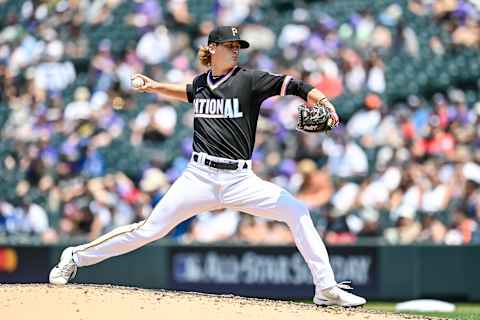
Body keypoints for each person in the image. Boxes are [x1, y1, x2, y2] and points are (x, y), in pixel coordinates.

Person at [49, 26, 366, 307]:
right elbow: (188, 91)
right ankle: (74, 256)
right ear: (213, 48)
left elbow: (295, 85)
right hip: (198, 177)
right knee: (147, 231)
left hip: (241, 180)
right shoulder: (202, 83)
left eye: (238, 46)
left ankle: (325, 288)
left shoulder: (250, 80)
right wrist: (155, 86)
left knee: (297, 211)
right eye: (230, 45)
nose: (235, 50)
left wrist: (323, 102)